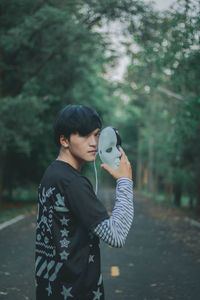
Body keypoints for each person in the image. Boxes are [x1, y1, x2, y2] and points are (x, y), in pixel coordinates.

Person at [35, 104, 134, 300]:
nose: (94, 143)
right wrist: (125, 181)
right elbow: (116, 235)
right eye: (84, 135)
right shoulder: (73, 183)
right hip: (76, 290)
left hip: (50, 287)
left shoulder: (52, 174)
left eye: (96, 134)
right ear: (64, 140)